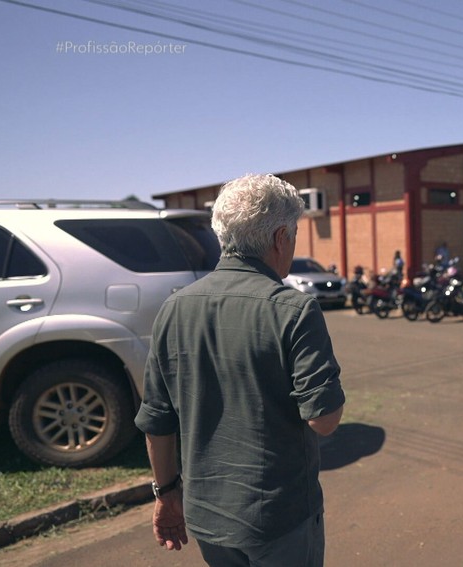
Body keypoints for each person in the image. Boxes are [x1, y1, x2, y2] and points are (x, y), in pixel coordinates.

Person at [135, 173, 346, 566]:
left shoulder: (175, 308)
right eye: (295, 233)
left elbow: (157, 419)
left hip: (206, 514)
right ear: (280, 237)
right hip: (278, 516)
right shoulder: (294, 310)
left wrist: (166, 494)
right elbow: (325, 420)